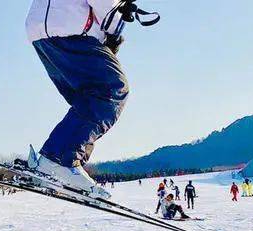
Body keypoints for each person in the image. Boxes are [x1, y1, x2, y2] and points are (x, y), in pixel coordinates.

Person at [24, 0, 158, 200]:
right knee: (111, 90)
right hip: (68, 27)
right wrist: (115, 27)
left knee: (88, 101)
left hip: (44, 33)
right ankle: (59, 161)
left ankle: (60, 162)